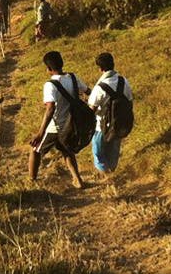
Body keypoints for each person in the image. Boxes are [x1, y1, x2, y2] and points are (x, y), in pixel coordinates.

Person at [28, 50, 88, 188]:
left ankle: (32, 180)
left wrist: (40, 132)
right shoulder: (73, 77)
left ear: (48, 69)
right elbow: (88, 91)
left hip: (57, 125)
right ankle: (77, 179)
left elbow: (50, 109)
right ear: (62, 63)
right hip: (73, 123)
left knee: (35, 150)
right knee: (67, 150)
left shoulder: (50, 85)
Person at [87, 51, 134, 176]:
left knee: (98, 152)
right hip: (119, 123)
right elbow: (130, 101)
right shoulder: (124, 81)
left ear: (100, 68)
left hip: (101, 126)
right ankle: (112, 172)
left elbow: (91, 109)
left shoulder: (100, 87)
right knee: (113, 152)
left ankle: (106, 176)